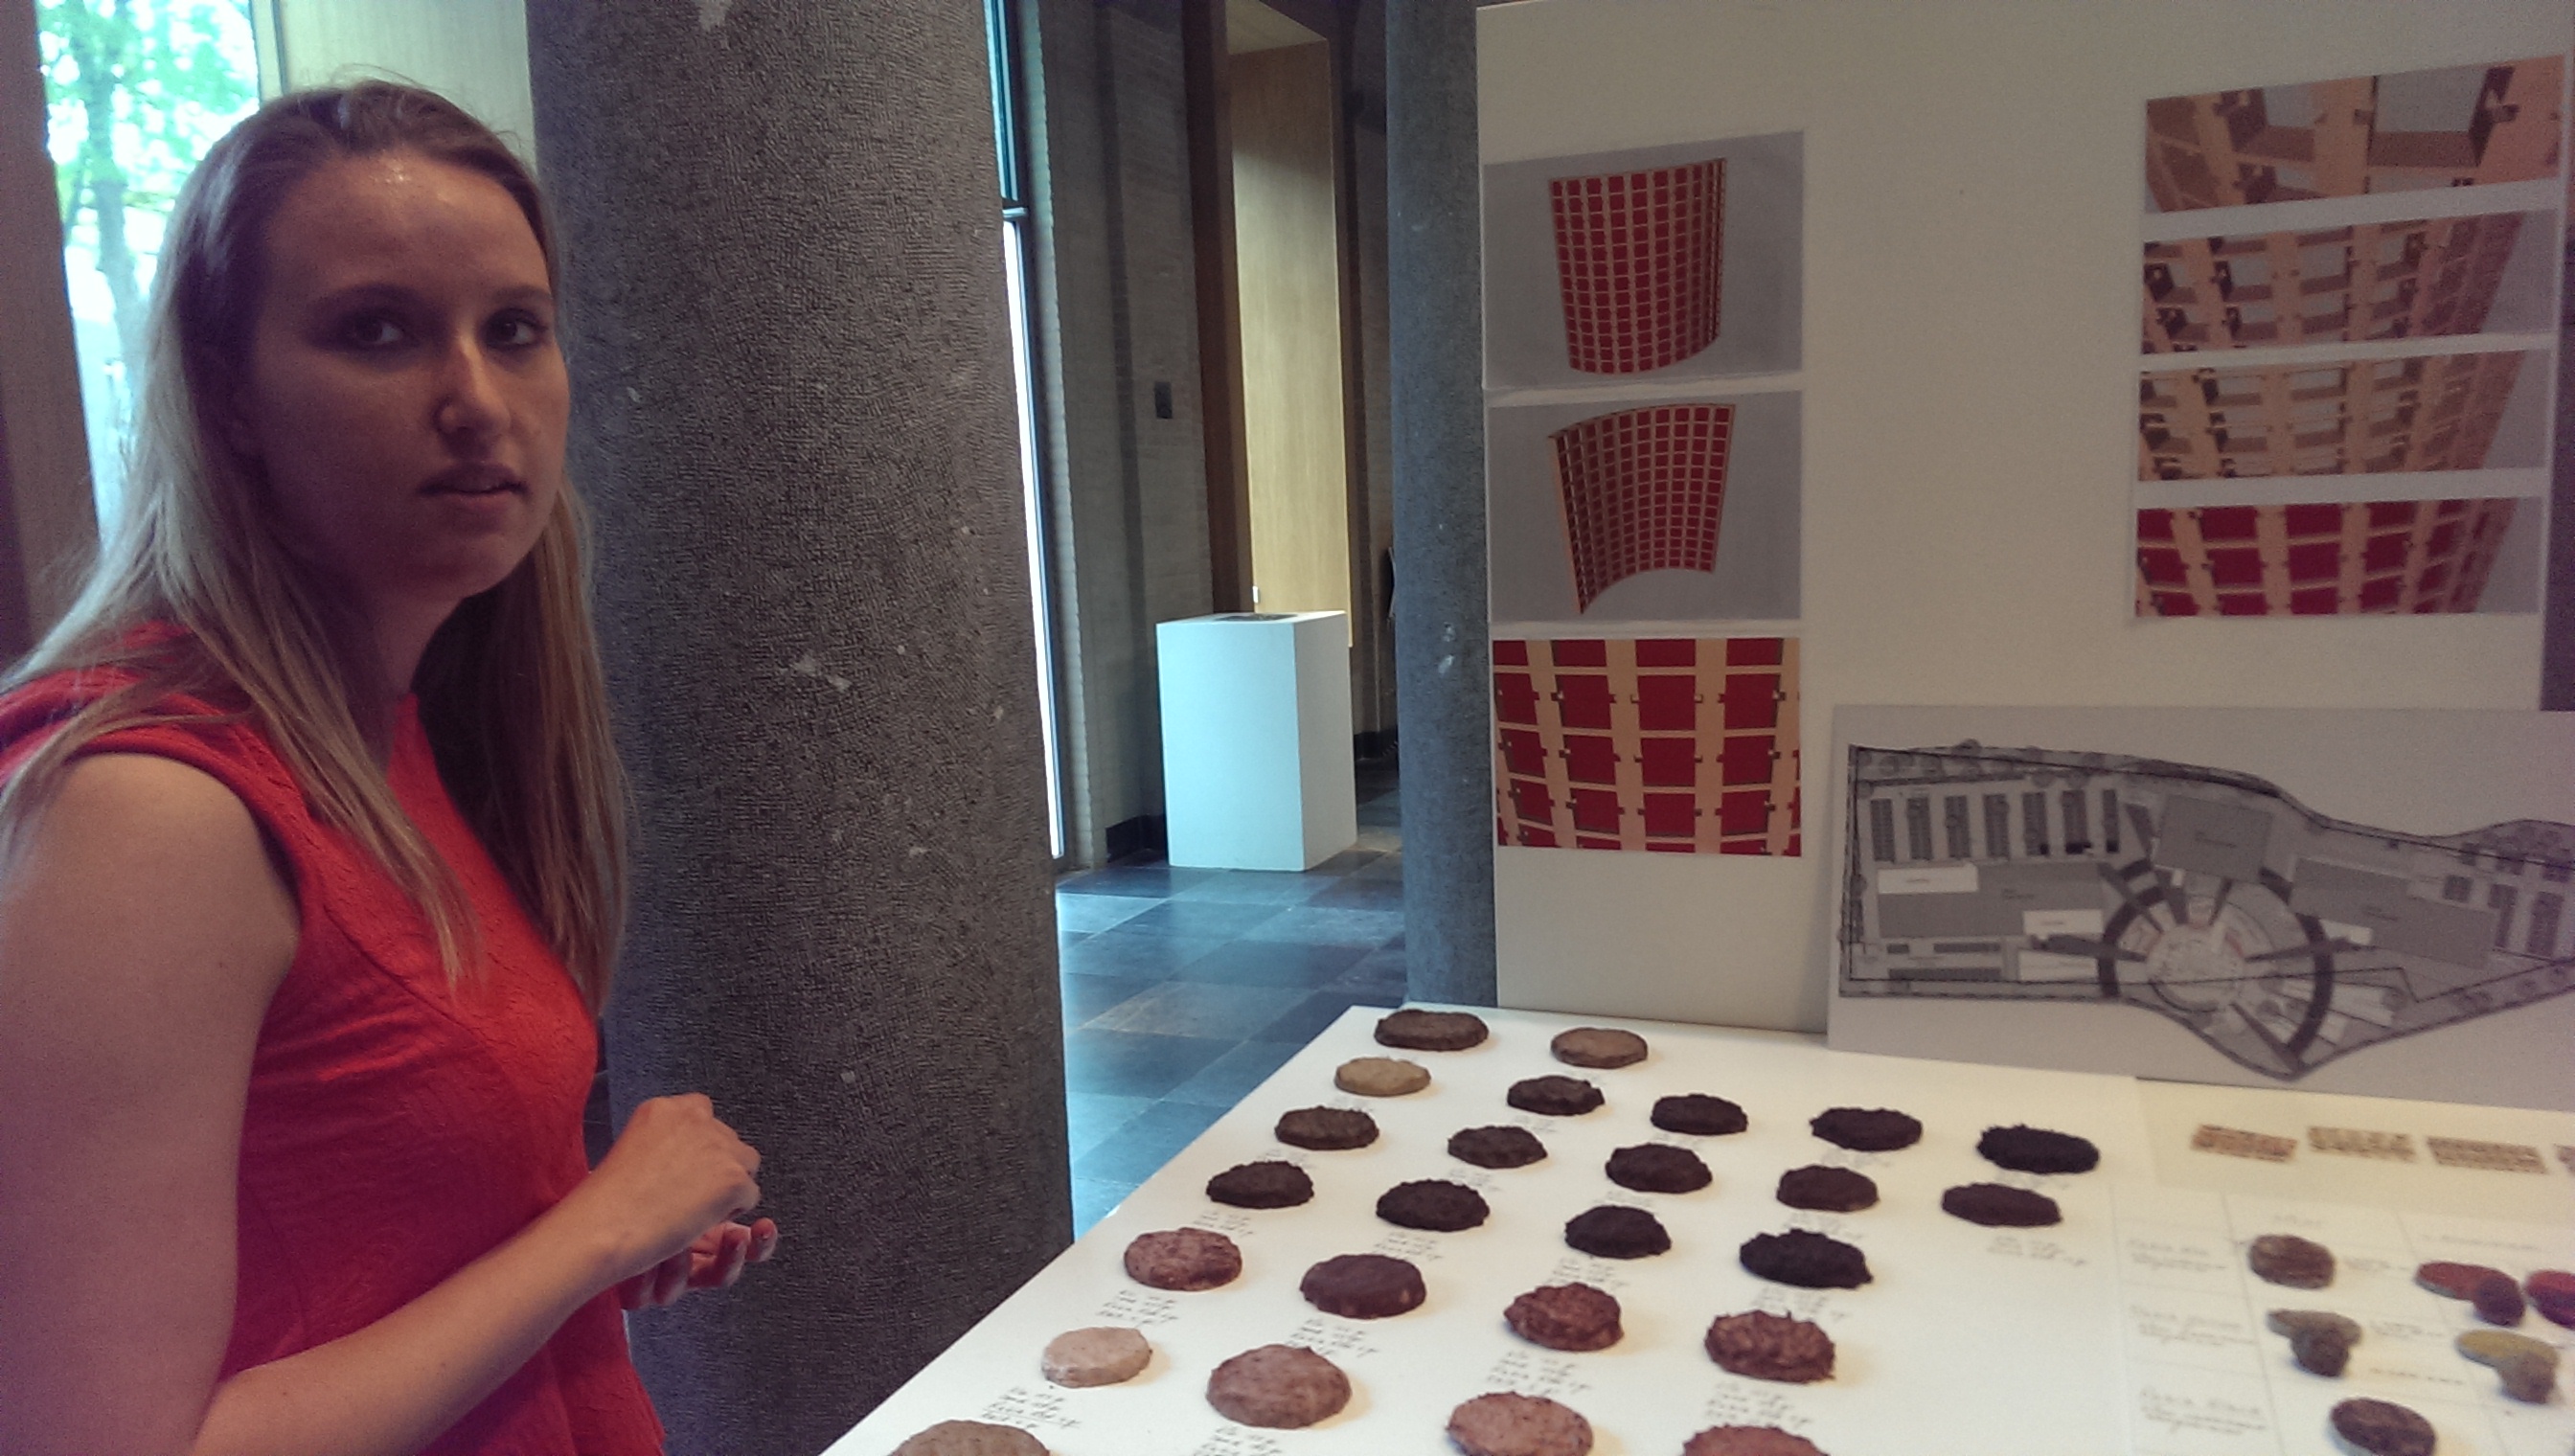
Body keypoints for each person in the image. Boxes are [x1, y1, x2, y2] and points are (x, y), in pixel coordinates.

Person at [0, 82, 775, 1455]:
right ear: (231, 398)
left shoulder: (390, 729)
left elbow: (344, 1234)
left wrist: (576, 1253)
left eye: (514, 330)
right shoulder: (149, 809)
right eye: (376, 331)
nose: (475, 401)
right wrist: (597, 1229)